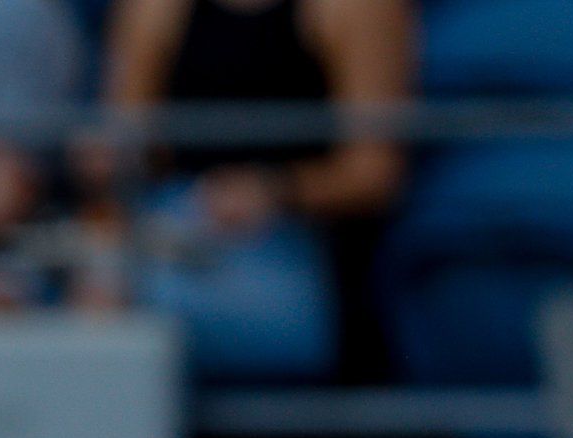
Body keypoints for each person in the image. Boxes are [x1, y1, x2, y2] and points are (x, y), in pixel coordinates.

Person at [92, 0, 413, 379]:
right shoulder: (154, 9)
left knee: (135, 314)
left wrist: (274, 191)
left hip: (301, 250)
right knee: (85, 301)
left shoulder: (356, 9)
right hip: (176, 233)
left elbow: (374, 174)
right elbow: (127, 156)